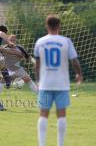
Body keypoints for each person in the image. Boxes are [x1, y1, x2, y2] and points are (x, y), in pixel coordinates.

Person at [34, 15, 83, 146]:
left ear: (46, 26)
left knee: (43, 113)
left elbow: (37, 65)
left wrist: (38, 81)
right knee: (61, 114)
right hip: (62, 84)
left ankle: (42, 144)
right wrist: (79, 74)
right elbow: (74, 61)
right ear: (59, 26)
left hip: (45, 84)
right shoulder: (66, 41)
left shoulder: (40, 42)